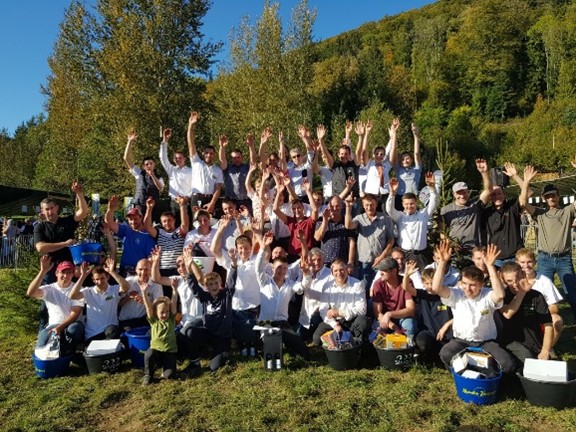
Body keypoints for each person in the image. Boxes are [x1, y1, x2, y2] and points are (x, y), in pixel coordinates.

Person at [430, 240, 515, 373]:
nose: (467, 289)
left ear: (481, 285)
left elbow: (500, 294)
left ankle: (486, 374)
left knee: (507, 364)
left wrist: (490, 266)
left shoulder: (487, 295)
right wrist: (442, 263)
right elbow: (436, 288)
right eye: (464, 284)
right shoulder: (456, 294)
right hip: (461, 341)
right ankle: (463, 373)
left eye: (473, 285)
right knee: (445, 353)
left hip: (485, 342)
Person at [520, 164, 576, 319]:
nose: (551, 198)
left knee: (573, 293)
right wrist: (525, 182)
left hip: (564, 259)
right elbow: (523, 203)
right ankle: (543, 323)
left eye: (553, 195)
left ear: (558, 196)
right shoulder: (540, 213)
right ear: (544, 198)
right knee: (542, 293)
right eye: (548, 196)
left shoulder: (567, 211)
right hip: (544, 259)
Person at [255, 232, 311, 359]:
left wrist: (306, 273)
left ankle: (286, 343)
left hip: (282, 323)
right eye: (279, 268)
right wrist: (263, 247)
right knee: (274, 360)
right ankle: (269, 345)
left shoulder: (290, 285)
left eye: (284, 268)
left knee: (304, 353)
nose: (282, 271)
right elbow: (258, 267)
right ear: (273, 269)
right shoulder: (264, 281)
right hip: (266, 323)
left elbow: (303, 286)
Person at [184, 246, 237, 372]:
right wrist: (189, 266)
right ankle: (195, 362)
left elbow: (231, 281)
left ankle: (223, 352)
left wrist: (234, 264)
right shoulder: (205, 297)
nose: (213, 286)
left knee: (215, 367)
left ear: (220, 284)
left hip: (222, 336)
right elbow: (193, 286)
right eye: (210, 284)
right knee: (190, 331)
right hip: (208, 333)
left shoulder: (226, 295)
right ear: (206, 287)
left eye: (216, 283)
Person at [27, 257, 85, 356]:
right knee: (41, 343)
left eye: (69, 273)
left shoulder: (78, 289)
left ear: (72, 274)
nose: (65, 276)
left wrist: (59, 328)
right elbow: (31, 293)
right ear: (56, 273)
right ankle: (54, 352)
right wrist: (42, 272)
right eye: (62, 272)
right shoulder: (50, 289)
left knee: (74, 329)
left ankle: (66, 353)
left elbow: (75, 313)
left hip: (72, 324)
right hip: (53, 325)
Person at [34, 182, 89, 282]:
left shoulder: (67, 221)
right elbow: (41, 248)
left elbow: (83, 212)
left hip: (68, 268)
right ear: (42, 211)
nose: (50, 212)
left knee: (71, 296)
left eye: (52, 208)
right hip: (50, 269)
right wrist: (65, 244)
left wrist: (79, 193)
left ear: (57, 208)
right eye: (47, 209)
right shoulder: (39, 227)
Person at [499, 262, 553, 365]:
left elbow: (548, 325)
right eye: (509, 281)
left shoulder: (536, 296)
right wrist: (522, 292)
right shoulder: (502, 296)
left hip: (534, 343)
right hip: (510, 342)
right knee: (528, 359)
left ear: (523, 275)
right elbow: (508, 313)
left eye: (517, 279)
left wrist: (545, 350)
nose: (514, 284)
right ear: (503, 280)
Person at [68, 259, 129, 344]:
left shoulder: (114, 289)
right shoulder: (88, 292)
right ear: (93, 280)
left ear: (107, 277)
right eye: (97, 279)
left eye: (102, 278)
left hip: (110, 332)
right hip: (92, 335)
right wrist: (83, 276)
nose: (99, 282)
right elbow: (72, 296)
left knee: (112, 330)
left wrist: (112, 272)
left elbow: (126, 287)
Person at [439, 159, 492, 256]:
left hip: (474, 251)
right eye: (459, 193)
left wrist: (484, 173)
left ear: (468, 192)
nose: (462, 196)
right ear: (454, 194)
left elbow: (488, 190)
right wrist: (451, 243)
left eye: (464, 192)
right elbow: (442, 232)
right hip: (455, 252)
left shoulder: (475, 206)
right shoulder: (446, 210)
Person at [345, 192, 396, 293]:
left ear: (376, 204)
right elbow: (348, 225)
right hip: (364, 261)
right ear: (363, 206)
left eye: (372, 204)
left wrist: (382, 256)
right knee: (364, 289)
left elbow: (391, 240)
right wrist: (348, 208)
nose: (369, 207)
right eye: (367, 205)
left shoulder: (386, 219)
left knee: (381, 289)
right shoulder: (360, 219)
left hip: (381, 261)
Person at [402, 264, 452, 365]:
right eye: (427, 283)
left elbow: (459, 315)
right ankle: (428, 359)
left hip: (447, 335)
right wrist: (407, 275)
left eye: (432, 283)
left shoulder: (448, 294)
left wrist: (446, 326)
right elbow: (406, 288)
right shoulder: (423, 295)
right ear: (423, 284)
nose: (430, 286)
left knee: (448, 354)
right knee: (422, 342)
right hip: (429, 333)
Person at [515, 247, 564, 350]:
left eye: (529, 262)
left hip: (540, 316)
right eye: (522, 262)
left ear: (535, 262)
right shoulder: (514, 280)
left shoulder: (544, 281)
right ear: (516, 263)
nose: (526, 266)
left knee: (557, 320)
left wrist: (539, 313)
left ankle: (547, 349)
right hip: (519, 315)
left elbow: (554, 307)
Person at [386, 172, 438, 268]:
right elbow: (389, 210)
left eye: (412, 203)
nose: (409, 206)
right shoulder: (400, 216)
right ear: (403, 205)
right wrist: (392, 194)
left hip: (421, 256)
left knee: (422, 281)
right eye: (406, 204)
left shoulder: (424, 215)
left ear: (416, 203)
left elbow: (434, 202)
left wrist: (431, 188)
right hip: (404, 255)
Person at [313, 258, 369, 346]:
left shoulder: (358, 284)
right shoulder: (327, 286)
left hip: (352, 321)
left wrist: (340, 312)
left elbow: (362, 310)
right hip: (336, 322)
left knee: (363, 321)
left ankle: (356, 346)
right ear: (332, 273)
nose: (339, 273)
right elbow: (323, 310)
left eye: (341, 270)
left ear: (347, 270)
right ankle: (341, 342)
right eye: (336, 271)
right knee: (316, 338)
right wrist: (334, 325)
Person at [482, 162, 524, 265]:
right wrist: (484, 173)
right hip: (497, 258)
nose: (497, 196)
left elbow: (527, 192)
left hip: (516, 256)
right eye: (494, 194)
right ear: (490, 197)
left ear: (504, 195)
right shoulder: (486, 212)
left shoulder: (512, 206)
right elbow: (482, 198)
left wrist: (515, 176)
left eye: (499, 193)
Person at [105, 195, 156, 277]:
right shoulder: (126, 230)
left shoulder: (148, 235)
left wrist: (145, 273)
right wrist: (110, 210)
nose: (133, 221)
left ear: (141, 218)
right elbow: (109, 223)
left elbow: (150, 258)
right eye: (130, 219)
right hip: (124, 271)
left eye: (135, 219)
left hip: (138, 272)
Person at [141, 278, 179, 385]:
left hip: (169, 352)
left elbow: (174, 302)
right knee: (149, 354)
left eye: (166, 311)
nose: (165, 314)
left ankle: (165, 369)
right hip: (156, 351)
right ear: (156, 313)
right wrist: (144, 293)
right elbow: (148, 307)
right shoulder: (154, 321)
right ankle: (148, 374)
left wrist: (174, 289)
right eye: (162, 312)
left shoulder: (171, 320)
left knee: (169, 376)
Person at [143, 196, 189, 282]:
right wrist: (149, 208)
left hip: (178, 269)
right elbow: (147, 226)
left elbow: (185, 223)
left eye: (169, 220)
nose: (167, 223)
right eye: (164, 221)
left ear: (174, 220)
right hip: (162, 270)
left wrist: (182, 205)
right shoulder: (159, 232)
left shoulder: (180, 231)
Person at [272, 179, 318, 262]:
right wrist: (279, 192)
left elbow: (315, 210)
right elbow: (275, 209)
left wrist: (308, 192)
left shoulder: (309, 221)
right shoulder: (291, 221)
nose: (296, 210)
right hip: (292, 255)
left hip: (306, 255)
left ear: (303, 208)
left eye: (299, 207)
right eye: (294, 208)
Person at [187, 111, 224, 215]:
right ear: (203, 153)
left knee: (210, 226)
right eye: (206, 153)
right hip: (196, 197)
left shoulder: (217, 170)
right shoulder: (196, 163)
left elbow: (217, 189)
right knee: (197, 225)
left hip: (210, 199)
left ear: (214, 155)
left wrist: (212, 203)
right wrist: (190, 125)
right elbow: (191, 143)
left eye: (211, 153)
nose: (209, 155)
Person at [123, 131, 164, 219]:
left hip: (153, 206)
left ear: (154, 164)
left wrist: (152, 175)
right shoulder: (138, 173)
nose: (149, 165)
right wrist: (129, 141)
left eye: (151, 163)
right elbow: (126, 158)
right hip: (139, 205)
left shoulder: (158, 176)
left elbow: (160, 188)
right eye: (146, 164)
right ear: (143, 166)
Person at [371, 257, 416, 336]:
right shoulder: (378, 284)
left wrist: (389, 314)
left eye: (384, 270)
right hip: (384, 319)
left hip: (402, 317)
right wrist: (394, 327)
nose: (381, 273)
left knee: (409, 326)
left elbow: (411, 310)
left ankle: (409, 346)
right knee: (378, 330)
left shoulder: (406, 283)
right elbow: (377, 313)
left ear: (394, 271)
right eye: (380, 270)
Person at [362, 119, 398, 210]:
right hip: (371, 194)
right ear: (373, 155)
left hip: (384, 194)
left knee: (386, 215)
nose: (379, 156)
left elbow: (393, 149)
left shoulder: (387, 164)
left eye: (382, 154)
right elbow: (364, 150)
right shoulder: (369, 163)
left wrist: (394, 133)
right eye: (377, 154)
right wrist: (367, 133)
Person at [158, 127, 193, 224]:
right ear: (173, 160)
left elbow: (194, 186)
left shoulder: (191, 171)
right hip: (175, 202)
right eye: (176, 158)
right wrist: (165, 141)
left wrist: (187, 198)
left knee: (188, 226)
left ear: (185, 159)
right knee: (176, 227)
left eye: (180, 158)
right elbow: (162, 158)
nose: (178, 160)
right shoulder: (171, 170)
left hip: (187, 202)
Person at [119, 258, 163, 330]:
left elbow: (159, 307)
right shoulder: (128, 282)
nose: (143, 272)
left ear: (151, 270)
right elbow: (118, 304)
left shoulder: (156, 284)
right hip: (125, 320)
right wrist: (129, 297)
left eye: (146, 269)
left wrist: (144, 301)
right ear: (136, 269)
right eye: (140, 269)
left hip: (143, 320)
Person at [314, 195, 356, 266]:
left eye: (337, 206)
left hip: (342, 263)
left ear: (342, 206)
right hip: (325, 263)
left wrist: (350, 262)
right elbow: (317, 238)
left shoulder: (346, 222)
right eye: (332, 206)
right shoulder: (321, 220)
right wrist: (325, 221)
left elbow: (351, 243)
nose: (334, 208)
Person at [219, 132, 257, 211]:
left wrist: (251, 146)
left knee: (247, 222)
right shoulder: (227, 168)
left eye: (238, 157)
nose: (236, 159)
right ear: (232, 159)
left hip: (246, 201)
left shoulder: (246, 167)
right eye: (234, 157)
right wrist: (222, 147)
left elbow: (253, 161)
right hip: (231, 202)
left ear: (242, 157)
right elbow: (222, 160)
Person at [393, 123, 422, 210]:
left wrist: (415, 135)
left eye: (407, 158)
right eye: (402, 159)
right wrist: (394, 133)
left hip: (413, 197)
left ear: (411, 160)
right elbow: (394, 153)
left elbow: (416, 153)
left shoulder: (416, 169)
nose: (405, 161)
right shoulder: (398, 169)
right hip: (400, 198)